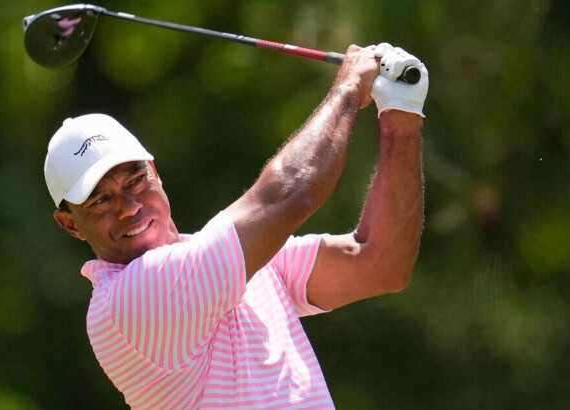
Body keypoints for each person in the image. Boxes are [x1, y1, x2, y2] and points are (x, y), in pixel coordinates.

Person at [43, 43, 428, 409]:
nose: (128, 207)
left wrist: (401, 120)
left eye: (135, 180)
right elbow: (292, 192)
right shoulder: (129, 301)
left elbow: (381, 263)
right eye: (100, 201)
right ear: (70, 225)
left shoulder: (231, 262)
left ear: (155, 172)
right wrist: (349, 85)